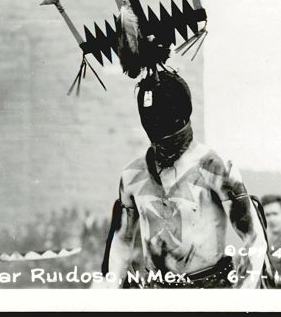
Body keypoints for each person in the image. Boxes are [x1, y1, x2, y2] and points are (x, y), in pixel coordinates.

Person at [103, 70, 268, 288]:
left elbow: (254, 237)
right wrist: (111, 291)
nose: (164, 135)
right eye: (156, 124)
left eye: (169, 124)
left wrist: (243, 294)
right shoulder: (132, 176)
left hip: (212, 293)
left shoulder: (214, 167)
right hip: (155, 295)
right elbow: (122, 243)